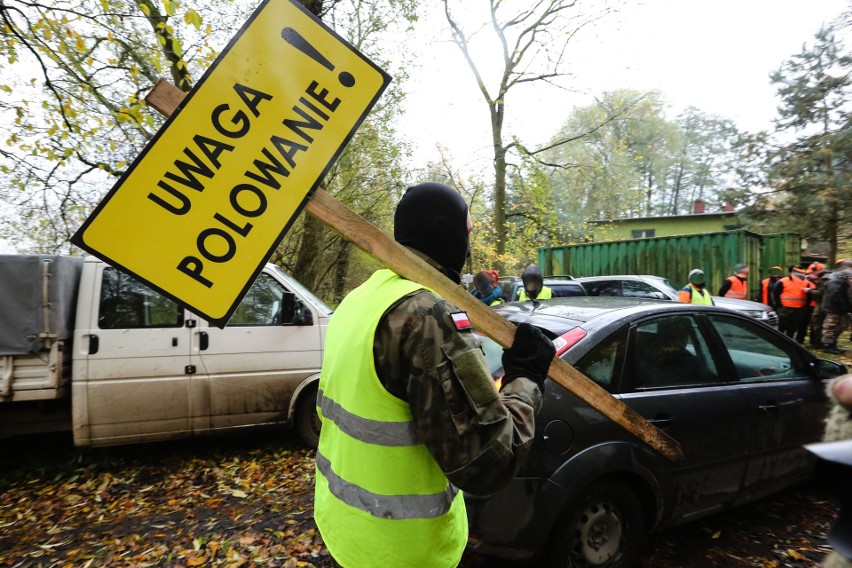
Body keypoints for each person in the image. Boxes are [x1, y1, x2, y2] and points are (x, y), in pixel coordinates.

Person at [313, 182, 555, 568]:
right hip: (405, 551)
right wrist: (525, 378)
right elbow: (488, 462)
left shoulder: (358, 300)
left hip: (345, 531)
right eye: (468, 232)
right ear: (447, 232)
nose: (469, 246)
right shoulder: (426, 315)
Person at [772, 265, 815, 343]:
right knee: (782, 327)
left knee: (792, 328)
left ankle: (789, 343)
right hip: (785, 309)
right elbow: (775, 294)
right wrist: (779, 306)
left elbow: (809, 296)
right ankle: (778, 342)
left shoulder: (806, 282)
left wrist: (804, 308)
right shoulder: (783, 281)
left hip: (799, 310)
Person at [820, 265, 852, 355]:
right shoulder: (835, 281)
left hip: (839, 309)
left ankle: (832, 344)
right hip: (833, 309)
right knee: (831, 327)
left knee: (841, 326)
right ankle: (827, 346)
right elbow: (835, 296)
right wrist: (845, 306)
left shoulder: (840, 281)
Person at [807, 263, 831, 348]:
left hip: (821, 304)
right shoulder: (827, 277)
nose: (811, 274)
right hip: (825, 304)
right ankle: (819, 342)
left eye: (813, 273)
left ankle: (818, 343)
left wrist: (809, 290)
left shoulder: (823, 279)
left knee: (816, 322)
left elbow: (821, 293)